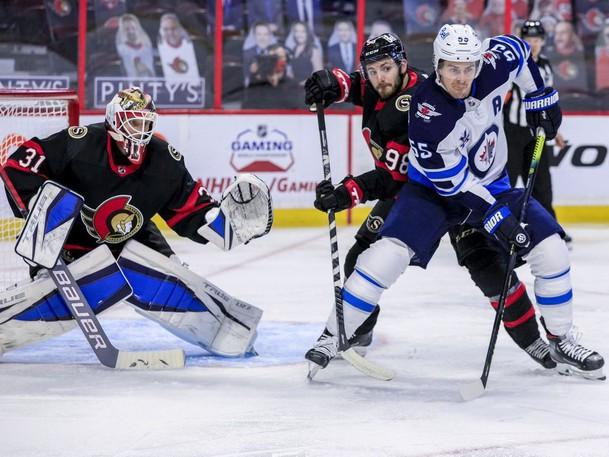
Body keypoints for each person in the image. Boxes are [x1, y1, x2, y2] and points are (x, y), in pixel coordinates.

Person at [307, 24, 605, 381]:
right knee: (384, 256)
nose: (461, 78)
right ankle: (331, 337)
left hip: (491, 186)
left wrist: (539, 98)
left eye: (468, 67)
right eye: (452, 68)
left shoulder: (493, 64)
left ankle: (560, 339)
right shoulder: (428, 111)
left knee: (550, 249)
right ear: (438, 65)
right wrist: (498, 217)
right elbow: (453, 184)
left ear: (479, 63)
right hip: (432, 193)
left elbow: (522, 53)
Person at [0, 87, 273, 359]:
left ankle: (228, 332)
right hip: (71, 244)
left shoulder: (164, 161)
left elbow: (195, 211)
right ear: (115, 121)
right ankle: (40, 287)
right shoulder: (80, 144)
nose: (140, 129)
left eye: (146, 123)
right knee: (62, 218)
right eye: (133, 121)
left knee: (170, 276)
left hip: (133, 238)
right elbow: (18, 166)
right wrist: (42, 212)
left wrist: (230, 225)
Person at [504, 20, 570, 243]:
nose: (533, 44)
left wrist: (556, 130)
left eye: (537, 40)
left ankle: (548, 229)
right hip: (510, 132)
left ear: (543, 41)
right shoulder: (512, 64)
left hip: (536, 134)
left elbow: (547, 102)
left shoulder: (546, 65)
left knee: (542, 184)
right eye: (529, 40)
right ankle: (501, 228)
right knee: (506, 182)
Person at [157, 13, 202, 83]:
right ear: (161, 31)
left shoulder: (194, 48)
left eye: (173, 28)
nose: (170, 32)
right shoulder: (158, 52)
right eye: (166, 29)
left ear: (180, 29)